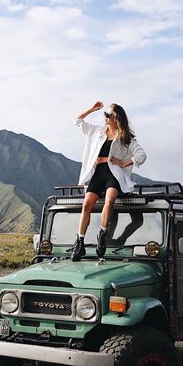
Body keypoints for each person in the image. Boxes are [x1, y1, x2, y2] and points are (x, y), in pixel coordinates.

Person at [71, 101, 146, 261]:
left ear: (115, 118)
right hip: (98, 173)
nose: (104, 116)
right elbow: (78, 121)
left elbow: (141, 154)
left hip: (113, 173)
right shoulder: (96, 132)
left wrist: (125, 162)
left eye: (107, 114)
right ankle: (80, 242)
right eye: (104, 114)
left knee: (110, 199)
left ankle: (102, 235)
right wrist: (92, 109)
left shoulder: (125, 137)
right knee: (87, 205)